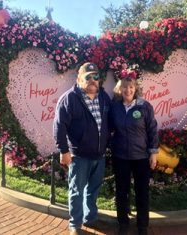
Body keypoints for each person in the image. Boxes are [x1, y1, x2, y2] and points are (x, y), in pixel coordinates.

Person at [53, 62, 111, 235]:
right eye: (88, 77)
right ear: (79, 78)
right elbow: (59, 126)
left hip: (99, 155)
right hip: (79, 156)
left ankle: (90, 217)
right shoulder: (69, 98)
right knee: (77, 191)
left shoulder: (103, 97)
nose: (93, 80)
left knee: (93, 190)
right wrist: (64, 151)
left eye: (96, 77)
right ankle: (75, 224)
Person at [109, 69, 158, 235]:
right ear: (119, 89)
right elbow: (109, 129)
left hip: (141, 157)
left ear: (135, 88)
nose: (127, 90)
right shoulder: (115, 107)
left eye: (130, 87)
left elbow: (152, 130)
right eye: (124, 87)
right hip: (121, 156)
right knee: (122, 191)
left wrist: (153, 153)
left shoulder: (144, 106)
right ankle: (123, 223)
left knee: (142, 192)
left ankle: (142, 226)